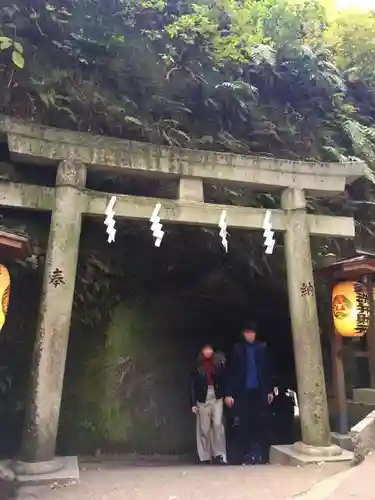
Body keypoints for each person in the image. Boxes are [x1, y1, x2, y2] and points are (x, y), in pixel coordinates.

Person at [224, 322, 274, 464]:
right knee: (244, 423)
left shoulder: (262, 348)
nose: (250, 335)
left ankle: (258, 453)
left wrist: (269, 390)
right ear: (243, 334)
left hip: (259, 391)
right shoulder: (237, 349)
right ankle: (245, 453)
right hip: (243, 391)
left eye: (252, 332)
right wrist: (229, 393)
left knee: (260, 422)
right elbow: (231, 372)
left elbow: (267, 371)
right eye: (247, 333)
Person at [190, 343, 227, 464]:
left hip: (216, 395)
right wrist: (193, 403)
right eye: (205, 349)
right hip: (202, 397)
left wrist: (227, 394)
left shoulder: (218, 363)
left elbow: (224, 379)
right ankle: (205, 455)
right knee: (204, 428)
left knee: (217, 425)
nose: (208, 351)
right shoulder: (197, 365)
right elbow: (192, 385)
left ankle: (219, 454)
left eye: (210, 349)